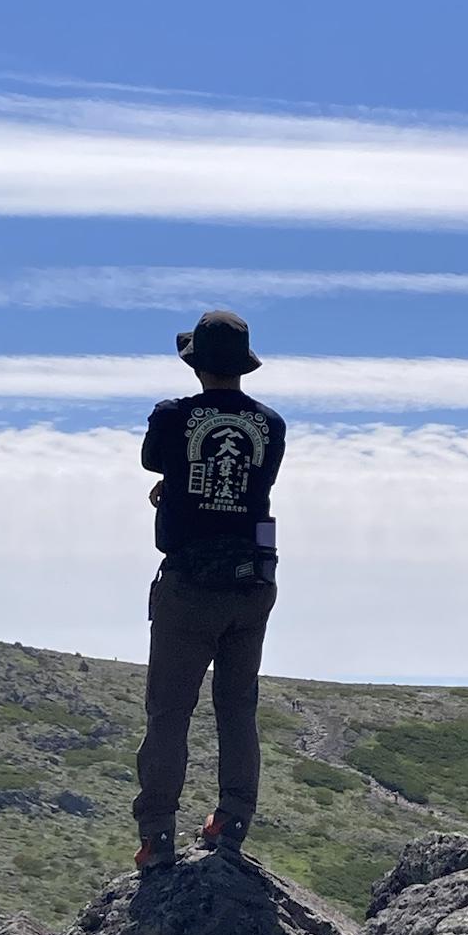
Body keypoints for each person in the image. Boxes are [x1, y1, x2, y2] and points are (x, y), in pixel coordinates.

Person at [132, 309, 286, 871]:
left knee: (169, 712)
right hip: (255, 579)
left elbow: (156, 460)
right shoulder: (272, 425)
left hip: (190, 584)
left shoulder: (174, 416)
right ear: (243, 366)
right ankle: (232, 821)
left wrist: (171, 492)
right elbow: (256, 490)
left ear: (195, 363)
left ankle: (158, 837)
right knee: (237, 706)